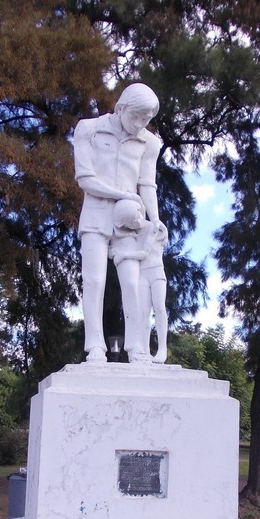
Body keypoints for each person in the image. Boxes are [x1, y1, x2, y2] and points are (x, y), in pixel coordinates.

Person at [73, 83, 161, 362]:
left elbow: (147, 183)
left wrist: (156, 220)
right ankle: (95, 345)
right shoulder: (89, 129)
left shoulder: (150, 143)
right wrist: (122, 194)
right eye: (137, 117)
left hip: (129, 218)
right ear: (121, 108)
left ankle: (137, 346)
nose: (141, 124)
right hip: (97, 213)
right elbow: (85, 179)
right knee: (94, 279)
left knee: (133, 283)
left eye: (147, 119)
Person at [109, 199, 168, 363]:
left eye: (137, 218)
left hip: (156, 272)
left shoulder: (153, 227)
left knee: (159, 307)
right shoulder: (129, 232)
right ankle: (144, 349)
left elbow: (143, 253)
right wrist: (114, 250)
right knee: (143, 312)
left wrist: (123, 255)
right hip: (142, 274)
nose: (137, 222)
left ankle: (162, 349)